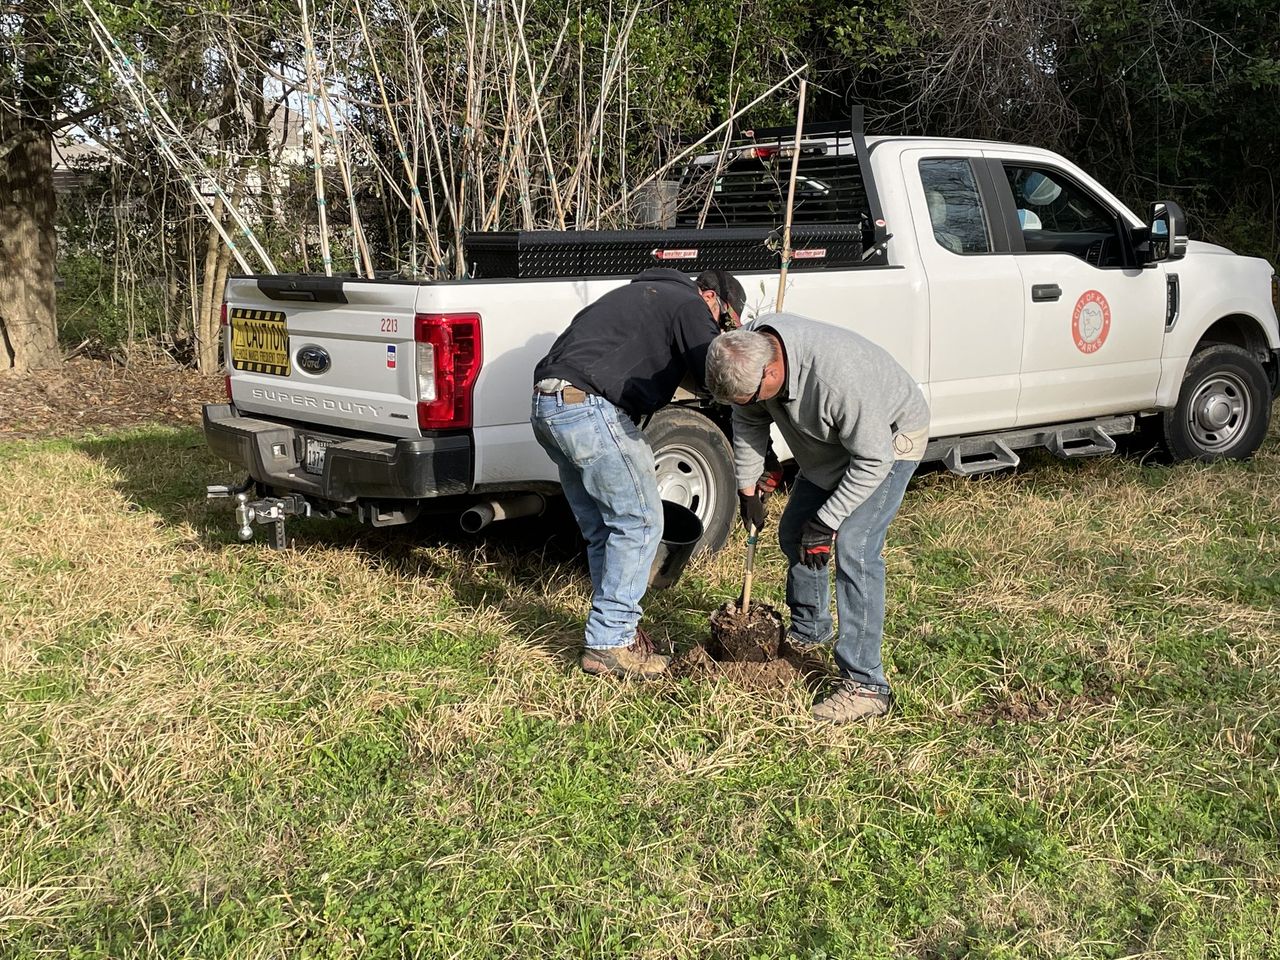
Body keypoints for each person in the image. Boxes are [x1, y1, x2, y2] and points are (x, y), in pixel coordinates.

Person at [704, 314, 929, 722]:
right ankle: (810, 631)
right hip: (834, 447)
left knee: (855, 548)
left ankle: (867, 686)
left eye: (752, 396)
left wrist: (828, 521)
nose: (749, 405)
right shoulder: (752, 357)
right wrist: (748, 486)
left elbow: (873, 458)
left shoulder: (837, 378)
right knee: (794, 534)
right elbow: (749, 421)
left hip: (888, 443)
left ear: (773, 371)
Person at [531, 268, 746, 679]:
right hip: (587, 407)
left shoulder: (642, 295)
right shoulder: (688, 303)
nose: (717, 331)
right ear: (711, 298)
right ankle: (611, 640)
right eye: (722, 323)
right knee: (642, 521)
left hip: (548, 406)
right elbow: (714, 373)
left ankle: (613, 632)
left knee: (604, 528)